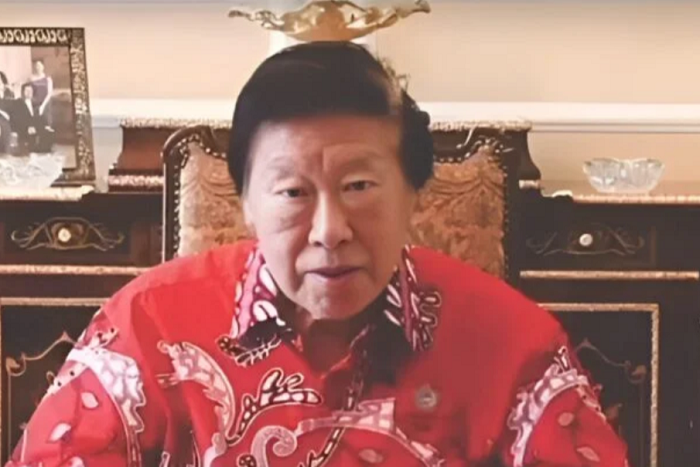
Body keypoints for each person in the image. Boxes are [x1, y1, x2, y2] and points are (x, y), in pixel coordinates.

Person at [5, 42, 629, 467]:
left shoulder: (512, 342)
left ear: (414, 194)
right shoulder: (149, 325)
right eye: (293, 192)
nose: (331, 230)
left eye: (359, 186)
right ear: (246, 203)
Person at [13, 83, 53, 154]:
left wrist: (46, 125)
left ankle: (43, 152)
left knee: (48, 132)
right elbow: (18, 119)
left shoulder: (35, 103)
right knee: (31, 135)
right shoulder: (18, 103)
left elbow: (39, 117)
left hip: (34, 127)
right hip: (23, 127)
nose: (29, 93)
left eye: (30, 91)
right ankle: (31, 150)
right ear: (23, 92)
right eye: (27, 91)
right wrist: (28, 127)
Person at [29, 59, 53, 128]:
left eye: (39, 66)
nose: (38, 68)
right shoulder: (31, 78)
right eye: (36, 66)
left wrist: (42, 106)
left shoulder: (48, 79)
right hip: (35, 103)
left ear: (43, 67)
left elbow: (49, 93)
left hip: (45, 103)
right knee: (36, 123)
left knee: (46, 124)